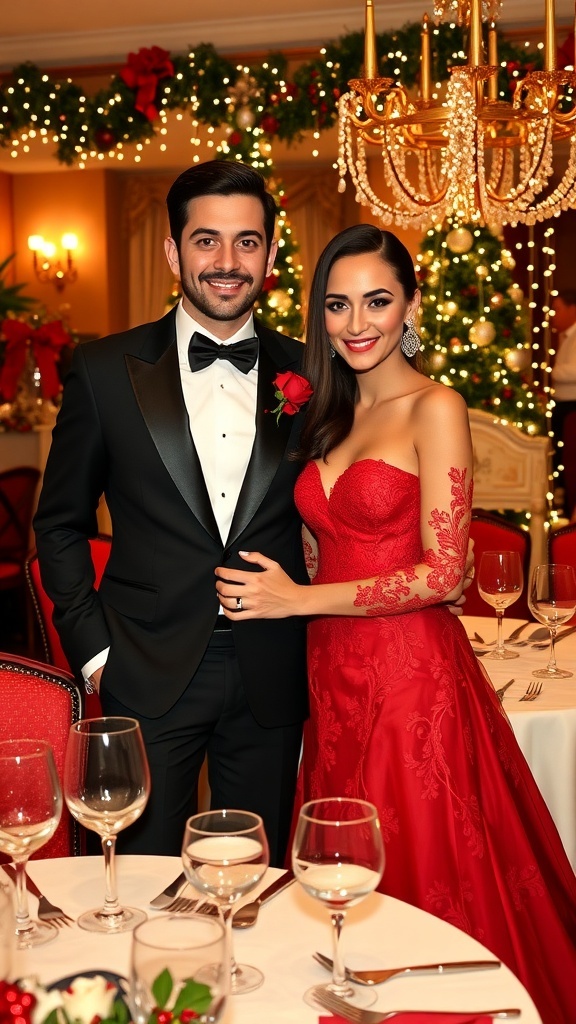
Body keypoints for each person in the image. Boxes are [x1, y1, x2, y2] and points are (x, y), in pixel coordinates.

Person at [215, 224, 576, 1024]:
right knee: (345, 878)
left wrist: (297, 601)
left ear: (410, 304)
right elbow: (320, 554)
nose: (357, 322)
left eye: (377, 300)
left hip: (412, 681)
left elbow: (445, 571)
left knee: (420, 868)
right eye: (338, 305)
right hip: (331, 674)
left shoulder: (435, 406)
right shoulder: (326, 417)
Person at [33, 160, 311, 866]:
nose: (226, 262)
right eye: (206, 241)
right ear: (172, 251)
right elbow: (59, 522)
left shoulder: (312, 374)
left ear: (272, 254)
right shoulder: (103, 370)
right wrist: (95, 655)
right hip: (145, 668)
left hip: (272, 669)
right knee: (147, 882)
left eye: (247, 242)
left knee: (260, 881)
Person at [551, 289, 576, 513]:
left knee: (570, 462)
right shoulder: (566, 336)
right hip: (563, 406)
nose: (553, 314)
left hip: (573, 408)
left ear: (572, 309)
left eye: (557, 309)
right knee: (562, 460)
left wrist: (554, 371)